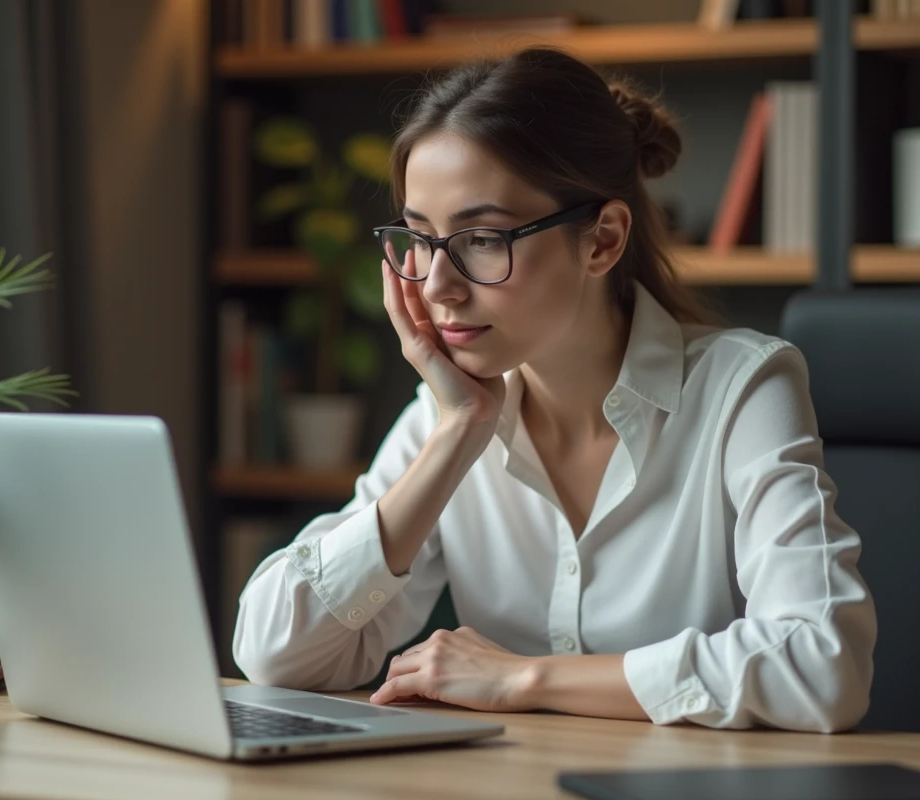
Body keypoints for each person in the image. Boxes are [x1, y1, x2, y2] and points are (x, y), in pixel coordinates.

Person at [232, 47, 876, 733]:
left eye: (481, 239)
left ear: (602, 240)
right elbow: (275, 655)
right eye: (419, 240)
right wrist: (457, 435)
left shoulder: (743, 389)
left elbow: (822, 665)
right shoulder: (451, 412)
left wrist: (523, 679)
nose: (440, 285)